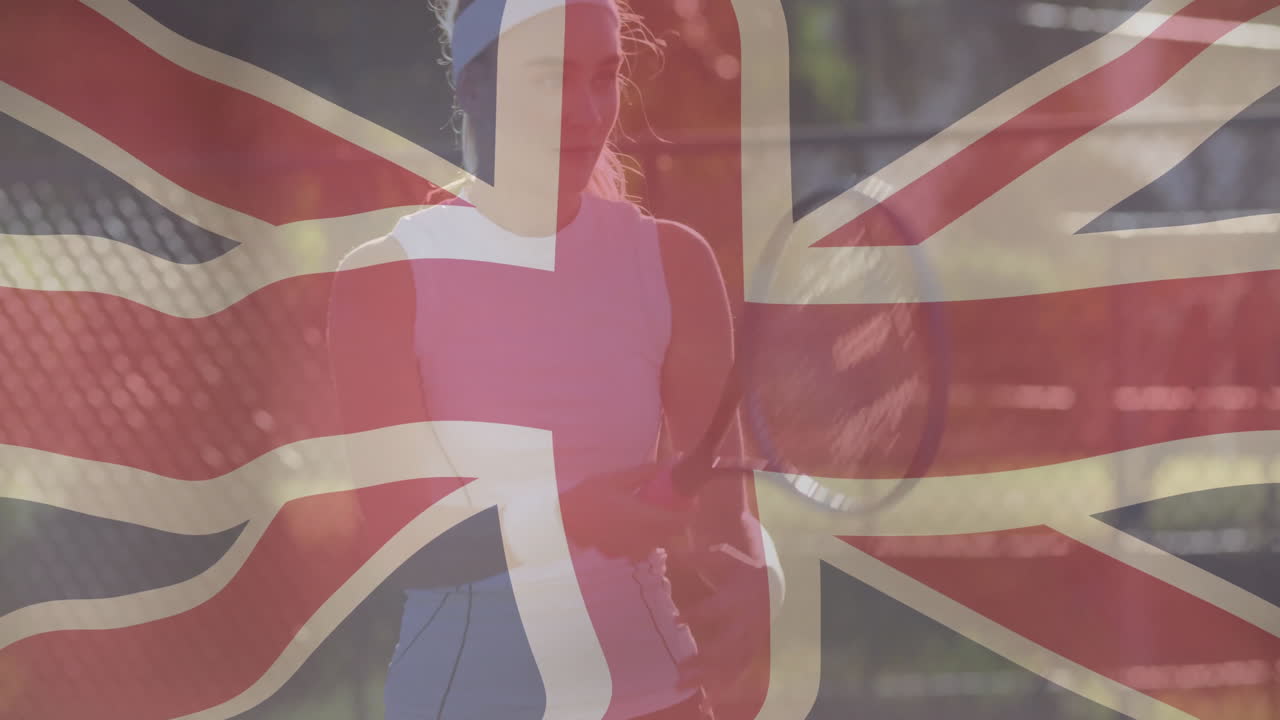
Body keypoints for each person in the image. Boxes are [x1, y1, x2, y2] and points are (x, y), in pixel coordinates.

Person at [327, 0, 772, 717]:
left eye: (605, 76)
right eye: (550, 79)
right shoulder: (387, 279)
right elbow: (401, 536)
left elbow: (729, 524)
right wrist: (572, 519)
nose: (588, 112)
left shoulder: (673, 265)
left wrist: (753, 581)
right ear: (472, 87)